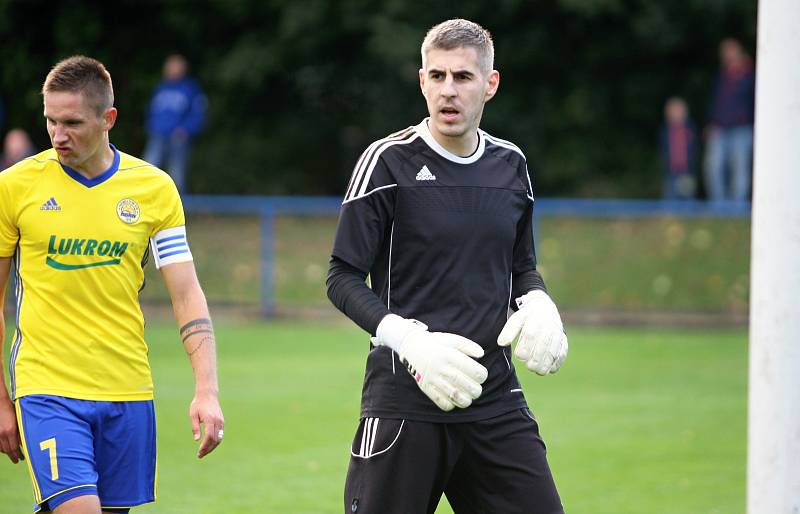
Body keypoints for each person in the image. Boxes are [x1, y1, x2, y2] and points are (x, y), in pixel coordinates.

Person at [327, 19, 568, 514]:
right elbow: (341, 277)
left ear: (490, 84)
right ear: (421, 82)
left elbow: (521, 267)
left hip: (494, 400)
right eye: (436, 77)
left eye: (462, 77)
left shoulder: (512, 166)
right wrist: (411, 341)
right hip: (403, 401)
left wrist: (539, 301)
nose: (448, 91)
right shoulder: (387, 162)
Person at [0, 55, 224, 513]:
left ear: (109, 119)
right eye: (50, 121)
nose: (58, 136)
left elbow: (185, 292)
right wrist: (0, 399)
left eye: (72, 123)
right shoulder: (15, 187)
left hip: (128, 389)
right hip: (47, 387)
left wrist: (207, 389)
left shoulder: (155, 189)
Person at [142, 54, 206, 194]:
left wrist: (186, 130)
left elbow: (198, 114)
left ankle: (179, 209)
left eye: (175, 66)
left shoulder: (190, 89)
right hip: (158, 136)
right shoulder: (160, 88)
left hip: (178, 138)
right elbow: (151, 112)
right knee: (147, 169)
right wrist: (151, 127)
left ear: (183, 68)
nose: (171, 69)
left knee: (177, 174)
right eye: (169, 66)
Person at [703, 37, 755, 203]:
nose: (727, 55)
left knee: (740, 168)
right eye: (725, 52)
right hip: (719, 127)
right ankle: (719, 204)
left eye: (731, 51)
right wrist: (711, 122)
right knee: (713, 165)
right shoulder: (722, 76)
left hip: (742, 127)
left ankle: (737, 205)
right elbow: (716, 102)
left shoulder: (750, 75)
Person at [659, 97, 698, 200]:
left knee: (688, 195)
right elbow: (663, 150)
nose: (677, 114)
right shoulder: (665, 131)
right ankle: (670, 213)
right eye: (674, 111)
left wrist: (691, 163)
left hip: (687, 171)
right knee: (670, 196)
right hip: (671, 172)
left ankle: (689, 213)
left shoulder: (690, 129)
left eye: (679, 110)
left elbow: (694, 149)